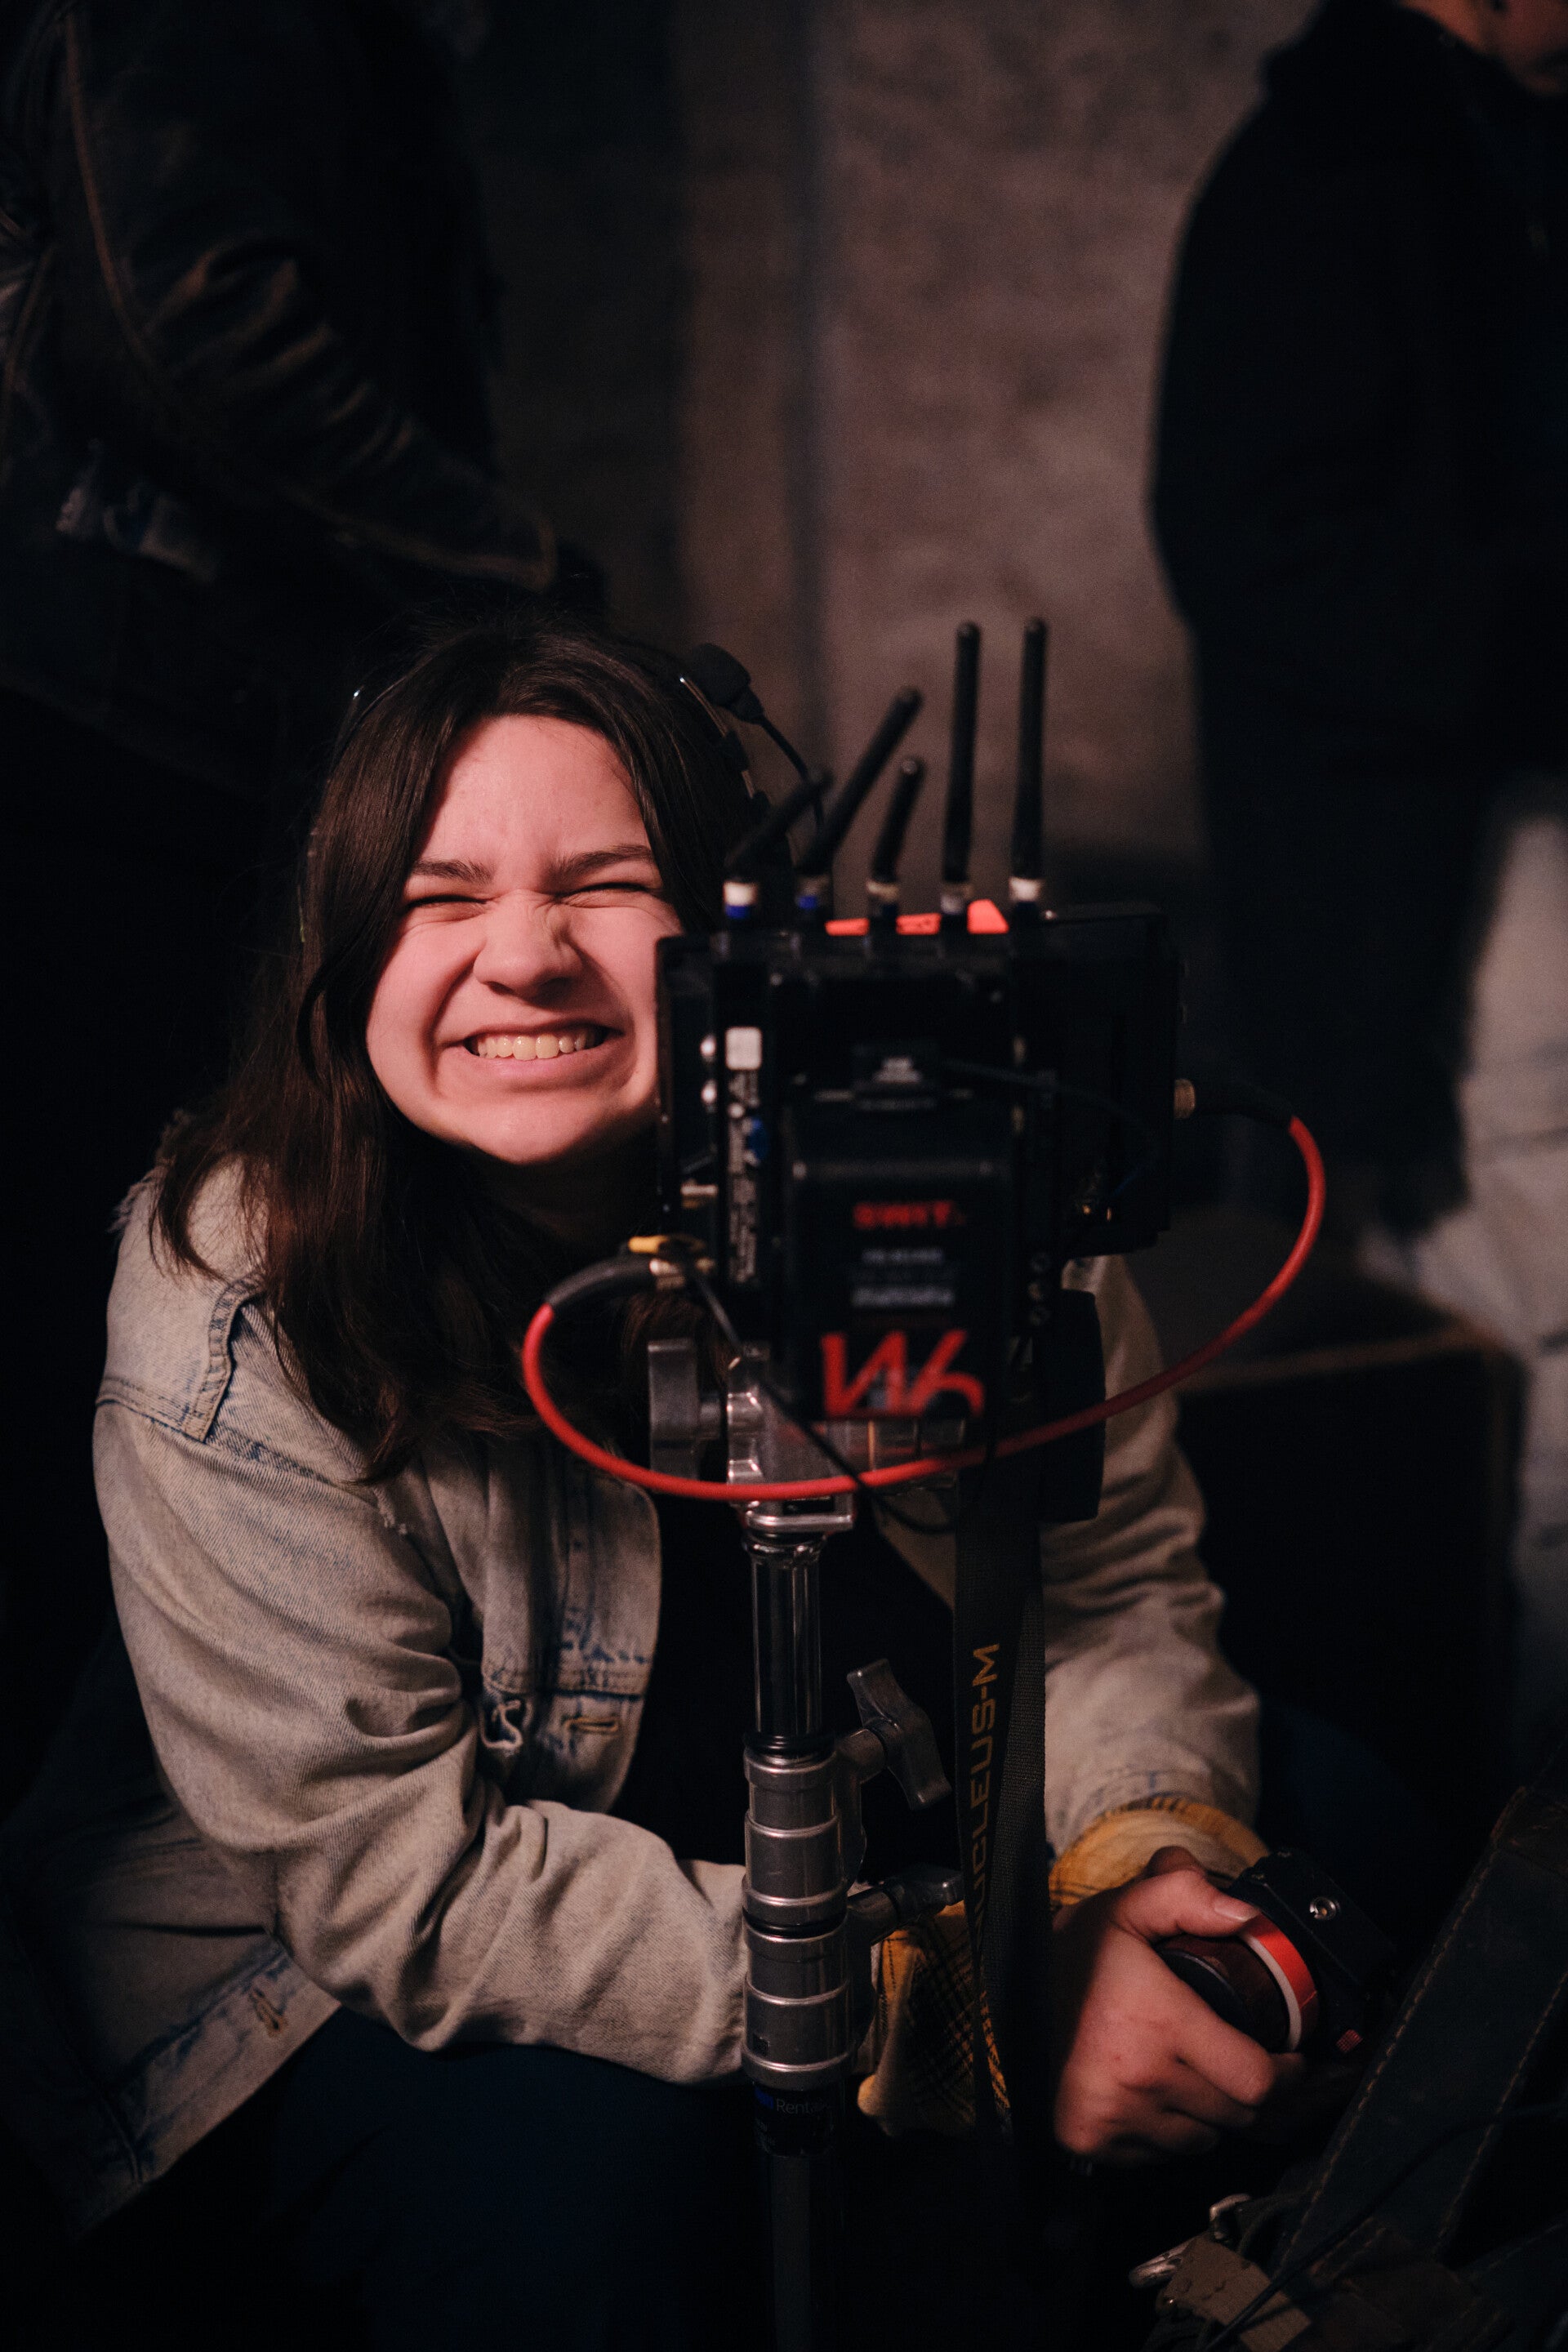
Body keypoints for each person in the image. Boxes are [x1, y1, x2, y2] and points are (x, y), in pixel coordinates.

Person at [0, 607, 1300, 2346]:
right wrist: (961, 2015)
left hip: (846, 1839)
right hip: (331, 1985)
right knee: (600, 2185)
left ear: (731, 922)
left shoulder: (944, 1137)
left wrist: (1129, 1881)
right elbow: (398, 1876)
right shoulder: (238, 1289)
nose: (522, 958)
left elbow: (1112, 1578)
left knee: (1317, 1854)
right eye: (441, 898)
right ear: (347, 951)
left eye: (603, 884)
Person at [0, 0, 573, 1813]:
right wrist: (508, 570)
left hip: (170, 742)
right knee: (93, 1338)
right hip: (116, 754)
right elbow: (180, 336)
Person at [1152, 0, 1568, 1751]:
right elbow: (1259, 552)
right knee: (1522, 1377)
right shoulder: (1328, 173)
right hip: (1439, 889)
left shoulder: (1488, 150)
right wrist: (1529, 634)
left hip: (1500, 852)